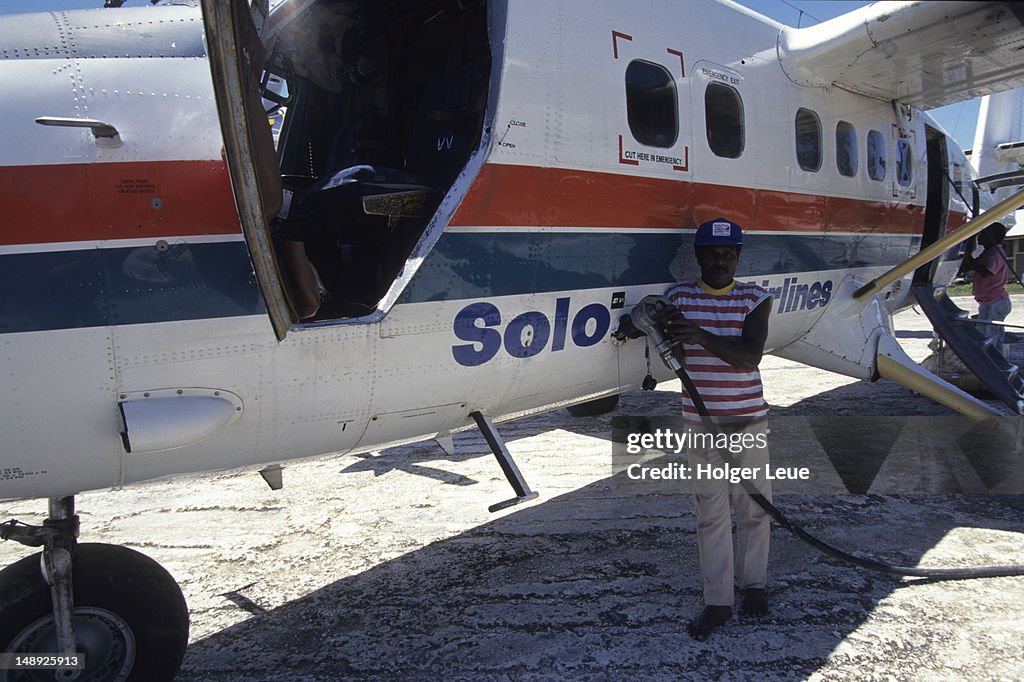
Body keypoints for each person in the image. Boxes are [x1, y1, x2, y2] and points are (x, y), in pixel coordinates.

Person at [660, 218, 773, 641]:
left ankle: (755, 585)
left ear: (738, 256)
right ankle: (719, 601)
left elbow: (749, 357)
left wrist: (698, 336)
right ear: (698, 254)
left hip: (747, 422)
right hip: (700, 424)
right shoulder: (678, 297)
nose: (720, 260)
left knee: (754, 509)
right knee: (710, 515)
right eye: (711, 252)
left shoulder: (755, 299)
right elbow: (658, 332)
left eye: (728, 254)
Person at [962, 222, 1012, 347]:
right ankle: (997, 360)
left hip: (993, 302)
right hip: (992, 301)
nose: (980, 236)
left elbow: (986, 272)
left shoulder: (995, 252)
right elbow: (971, 267)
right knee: (994, 336)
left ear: (991, 236)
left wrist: (969, 258)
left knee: (988, 337)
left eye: (983, 233)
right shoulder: (988, 252)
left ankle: (991, 361)